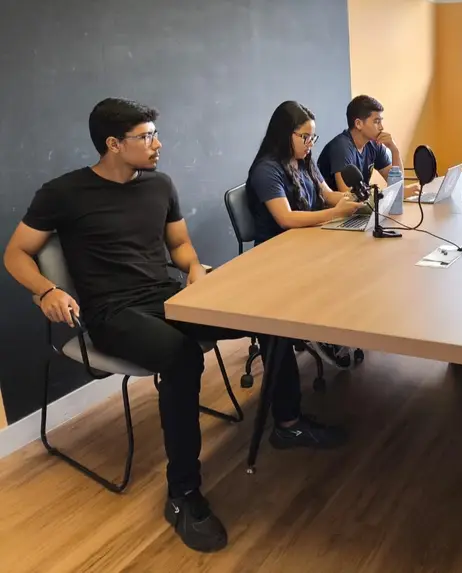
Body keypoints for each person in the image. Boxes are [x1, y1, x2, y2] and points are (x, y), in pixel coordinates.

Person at [3, 98, 346, 555]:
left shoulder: (159, 185)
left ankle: (287, 422)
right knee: (182, 358)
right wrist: (47, 290)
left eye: (154, 135)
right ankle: (183, 494)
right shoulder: (63, 193)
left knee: (268, 315)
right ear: (113, 144)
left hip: (167, 296)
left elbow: (180, 244)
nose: (157, 144)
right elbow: (16, 254)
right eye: (146, 137)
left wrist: (194, 270)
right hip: (111, 313)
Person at [246, 100, 364, 367]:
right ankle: (322, 330)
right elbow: (286, 218)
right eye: (305, 137)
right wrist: (335, 213)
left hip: (307, 241)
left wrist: (356, 199)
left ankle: (338, 327)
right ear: (284, 134)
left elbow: (327, 194)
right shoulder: (267, 170)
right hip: (277, 254)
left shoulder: (304, 160)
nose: (310, 143)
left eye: (313, 137)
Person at [317, 94, 419, 196]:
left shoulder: (374, 144)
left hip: (361, 204)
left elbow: (396, 186)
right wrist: (391, 194)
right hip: (334, 205)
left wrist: (394, 150)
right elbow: (349, 197)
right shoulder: (341, 148)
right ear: (358, 124)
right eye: (376, 122)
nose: (381, 127)